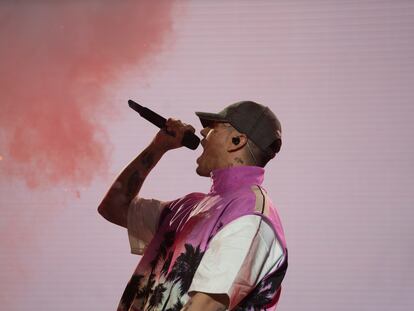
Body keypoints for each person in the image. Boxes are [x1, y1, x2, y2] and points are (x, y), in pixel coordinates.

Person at [98, 101, 288, 311]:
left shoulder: (251, 214)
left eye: (213, 128)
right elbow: (114, 207)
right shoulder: (188, 207)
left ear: (237, 141)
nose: (203, 132)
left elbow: (205, 306)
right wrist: (158, 146)